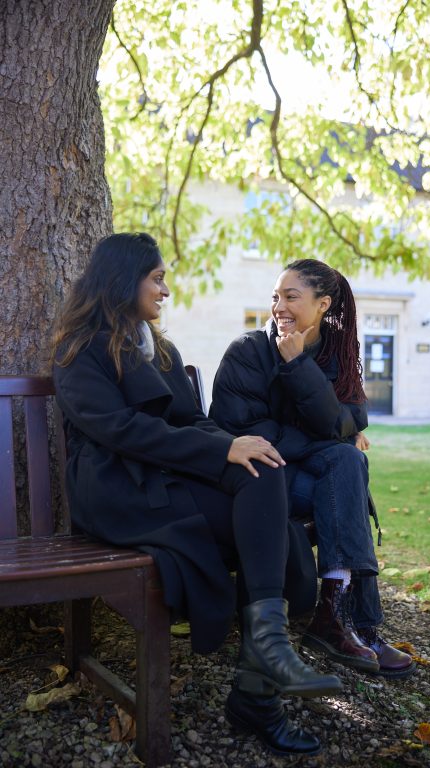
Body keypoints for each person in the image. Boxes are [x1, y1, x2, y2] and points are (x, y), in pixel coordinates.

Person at [50, 234, 343, 758]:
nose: (165, 290)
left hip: (170, 475)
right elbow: (118, 430)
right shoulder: (81, 347)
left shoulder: (159, 349)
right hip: (118, 487)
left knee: (263, 468)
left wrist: (234, 445)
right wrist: (219, 451)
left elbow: (189, 421)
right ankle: (261, 689)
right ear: (124, 280)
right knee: (265, 516)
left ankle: (264, 666)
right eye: (157, 278)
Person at [210, 258, 415, 679]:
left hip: (316, 471)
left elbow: (351, 419)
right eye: (275, 297)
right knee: (345, 464)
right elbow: (247, 431)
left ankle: (340, 618)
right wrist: (324, 425)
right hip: (263, 477)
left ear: (323, 304)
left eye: (291, 297)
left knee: (348, 460)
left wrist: (303, 371)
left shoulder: (337, 352)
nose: (279, 306)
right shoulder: (248, 352)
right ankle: (354, 622)